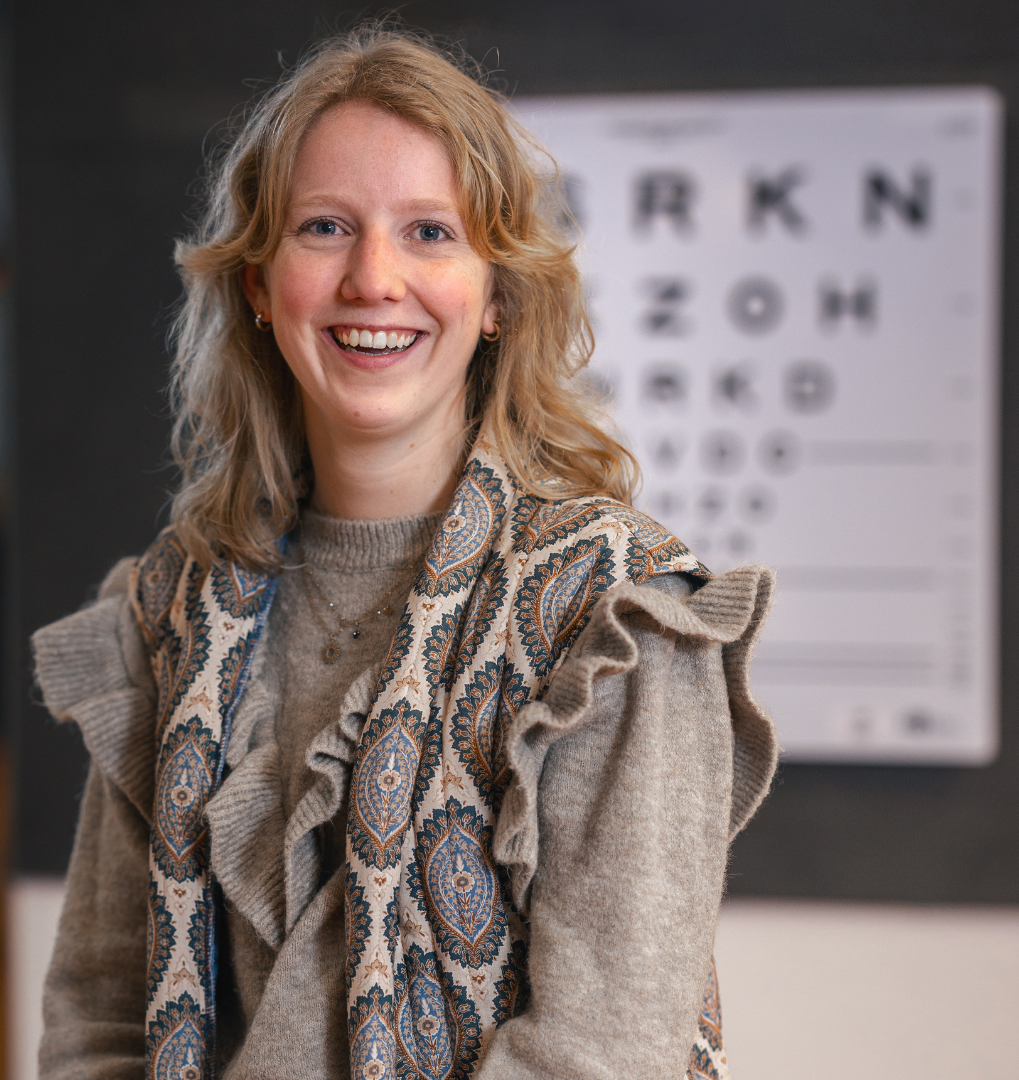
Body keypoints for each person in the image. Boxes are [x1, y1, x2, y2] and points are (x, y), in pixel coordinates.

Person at [31, 23, 777, 1080]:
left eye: (430, 233)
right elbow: (99, 1020)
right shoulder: (169, 611)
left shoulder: (614, 614)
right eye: (326, 227)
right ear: (257, 283)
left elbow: (599, 1054)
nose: (373, 279)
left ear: (497, 295)